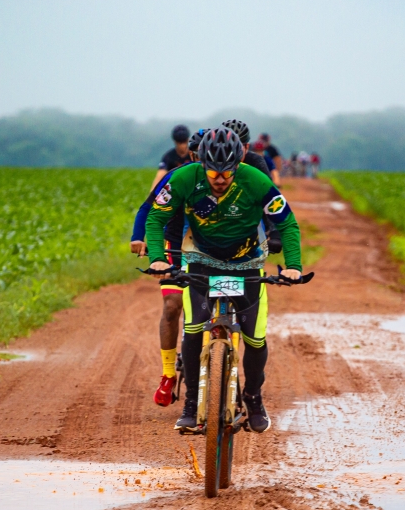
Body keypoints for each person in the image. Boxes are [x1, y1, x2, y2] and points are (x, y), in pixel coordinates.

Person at [145, 127, 303, 433]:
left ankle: (253, 398)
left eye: (227, 172)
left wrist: (293, 266)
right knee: (193, 330)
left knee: (255, 338)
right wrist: (157, 258)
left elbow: (287, 222)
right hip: (201, 261)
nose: (220, 179)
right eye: (213, 172)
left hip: (246, 263)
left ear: (238, 163)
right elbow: (155, 217)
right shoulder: (184, 178)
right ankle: (192, 403)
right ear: (201, 163)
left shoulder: (256, 180)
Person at [130, 127, 205, 406]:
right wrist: (138, 237)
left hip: (209, 250)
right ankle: (168, 374)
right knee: (173, 305)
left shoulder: (229, 180)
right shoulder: (177, 176)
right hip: (175, 246)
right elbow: (148, 207)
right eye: (199, 155)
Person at [221, 119, 281, 255]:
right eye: (227, 147)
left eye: (237, 147)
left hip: (249, 219)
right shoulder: (207, 162)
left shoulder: (256, 162)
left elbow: (269, 199)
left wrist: (274, 232)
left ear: (247, 147)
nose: (232, 153)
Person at [150, 124, 193, 189]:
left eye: (184, 142)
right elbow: (160, 176)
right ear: (175, 142)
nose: (182, 145)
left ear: (188, 140)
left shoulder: (194, 154)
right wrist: (152, 192)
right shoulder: (169, 157)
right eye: (180, 142)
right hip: (174, 188)